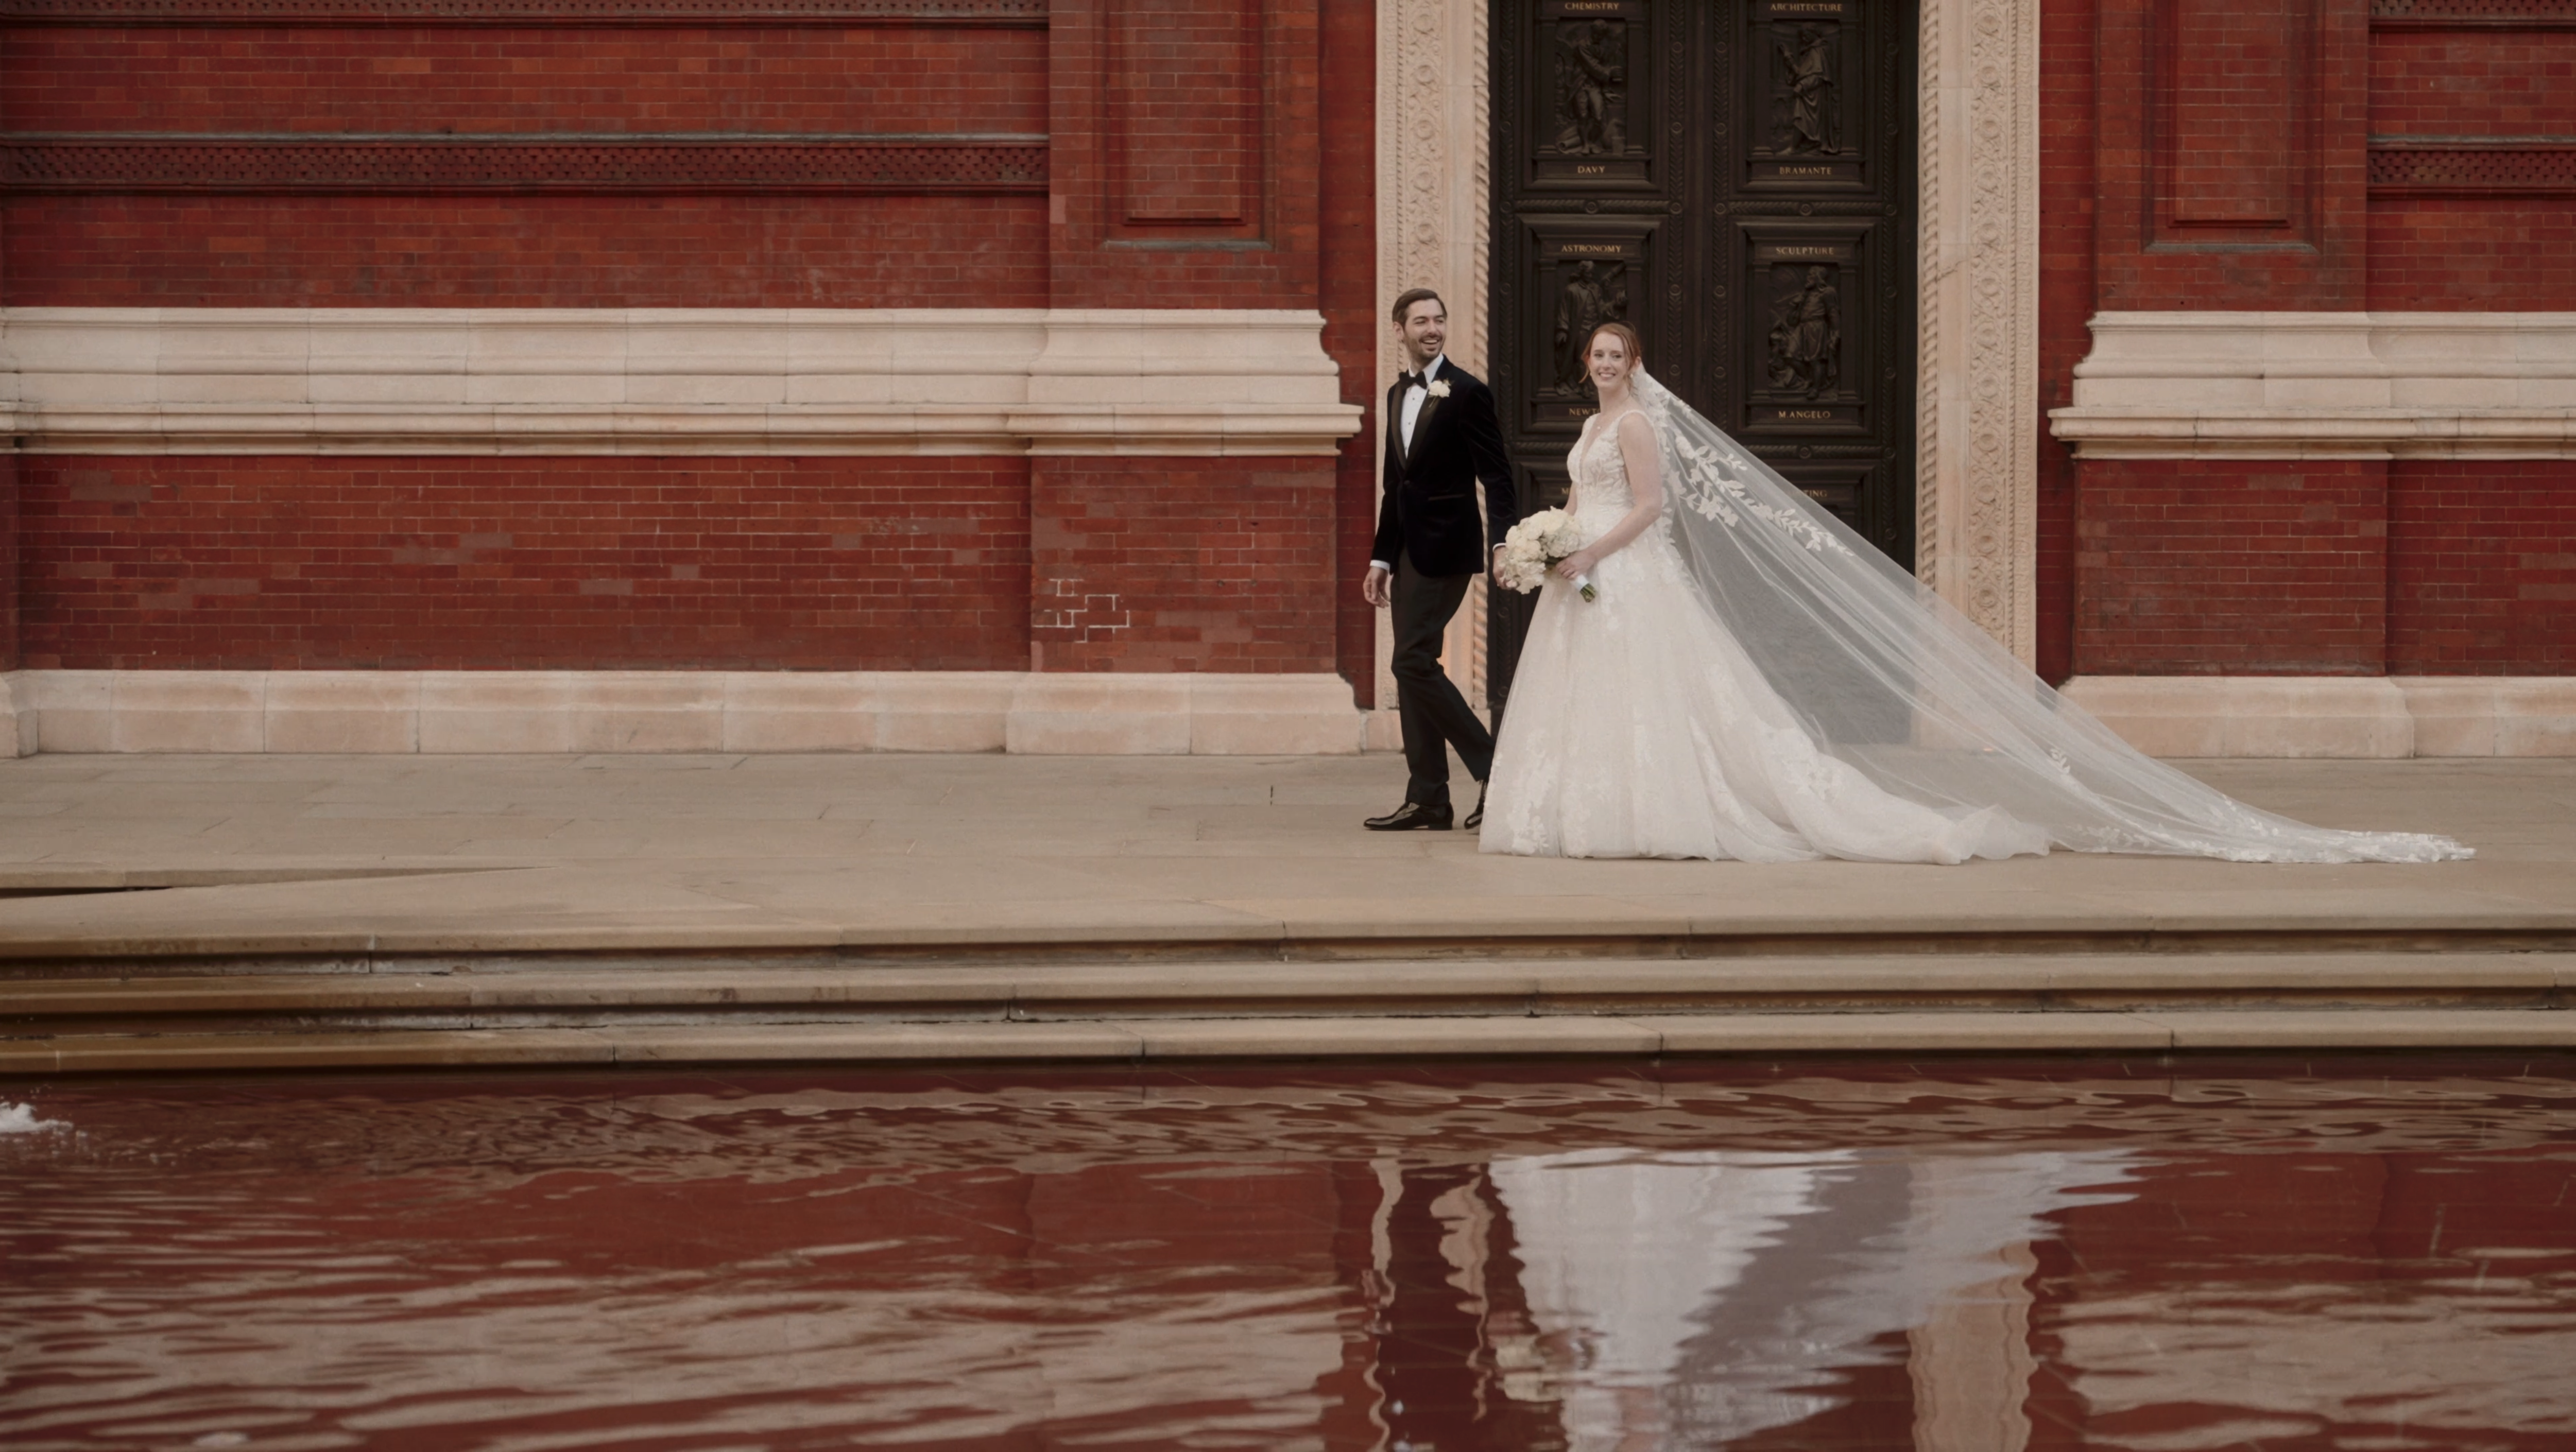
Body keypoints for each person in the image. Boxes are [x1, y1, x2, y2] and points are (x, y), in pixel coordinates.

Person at [1478, 322, 2471, 864]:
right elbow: (1581, 493)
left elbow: (1651, 507)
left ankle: (1657, 816)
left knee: (1660, 702)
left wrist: (1587, 552)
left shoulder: (1639, 426)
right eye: (1596, 358)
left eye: (1617, 357)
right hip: (1586, 573)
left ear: (1636, 365)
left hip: (1623, 571)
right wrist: (1547, 538)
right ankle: (1578, 814)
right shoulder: (1590, 425)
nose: (1604, 367)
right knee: (1593, 702)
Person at [1364, 288, 1517, 833]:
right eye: (1421, 321)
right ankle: (1428, 798)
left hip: (1448, 547)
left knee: (1410, 661)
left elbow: (1497, 476)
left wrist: (1502, 543)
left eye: (1439, 320)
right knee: (1413, 667)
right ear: (1399, 329)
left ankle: (1496, 766)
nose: (1432, 329)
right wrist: (1381, 558)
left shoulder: (1468, 392)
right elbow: (1395, 485)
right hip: (1406, 551)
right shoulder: (1395, 394)